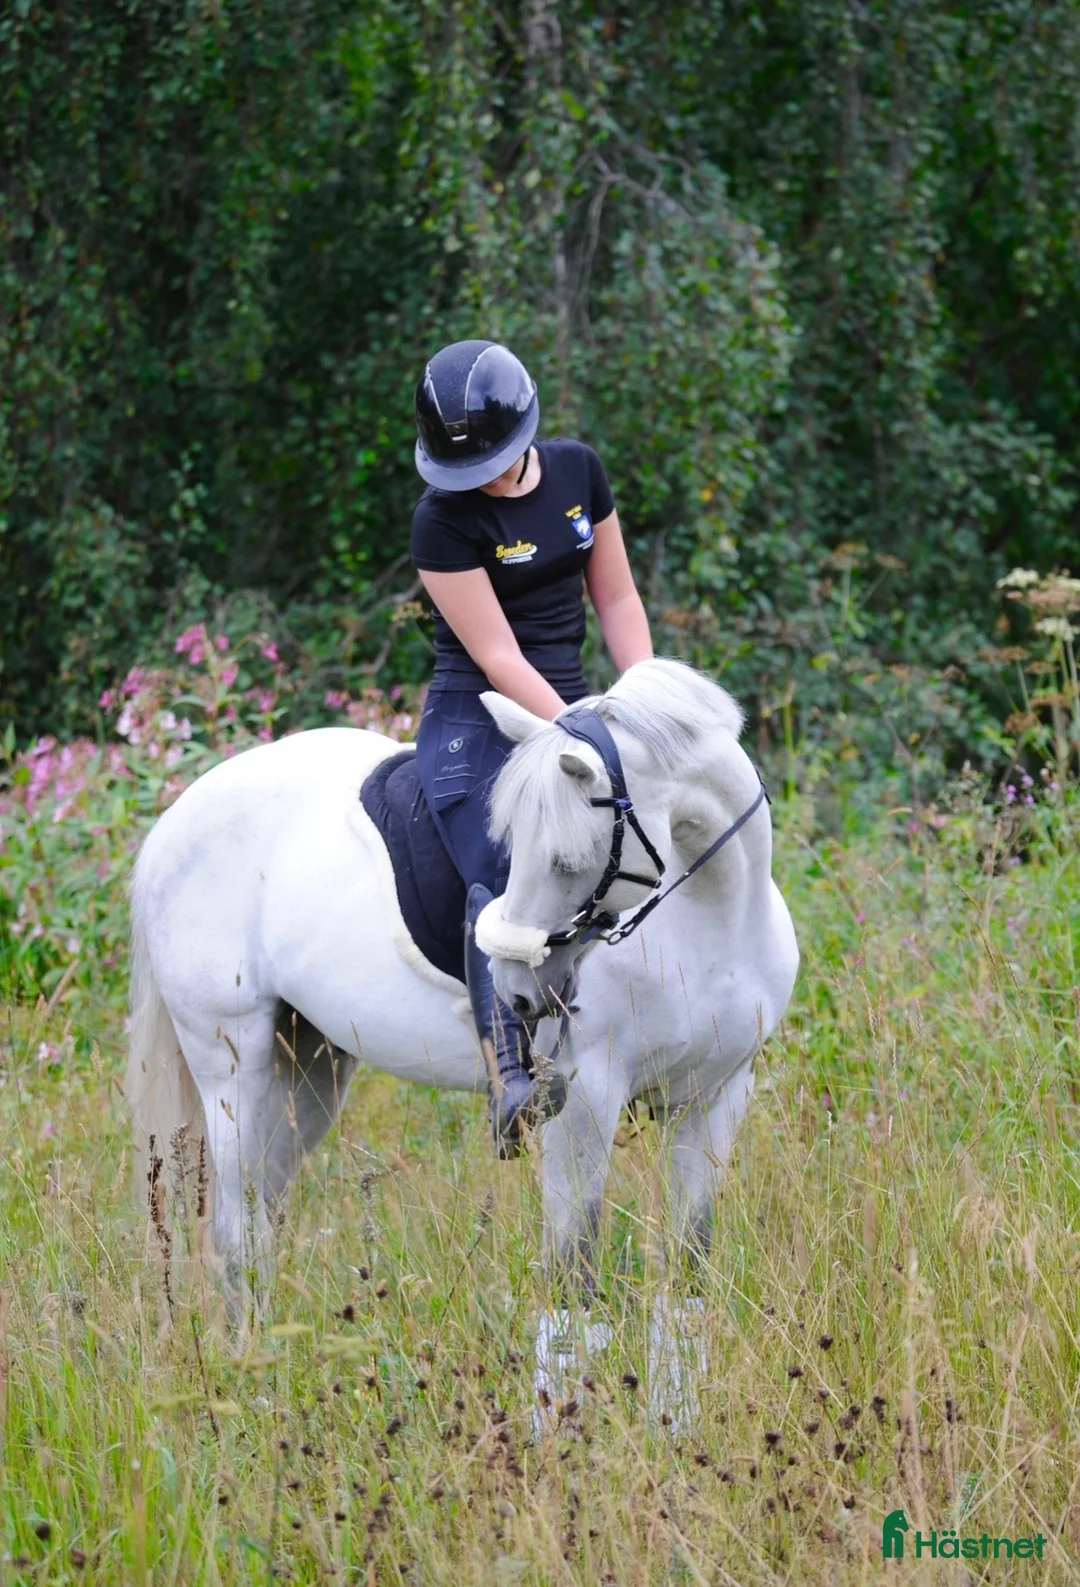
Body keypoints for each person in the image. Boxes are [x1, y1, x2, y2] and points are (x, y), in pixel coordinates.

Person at [410, 339, 653, 1154]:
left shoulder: (580, 471)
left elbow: (616, 596)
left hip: (574, 698)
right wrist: (579, 728)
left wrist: (643, 700)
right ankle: (510, 1072)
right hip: (476, 717)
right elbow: (498, 657)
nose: (473, 479)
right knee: (499, 866)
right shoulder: (441, 521)